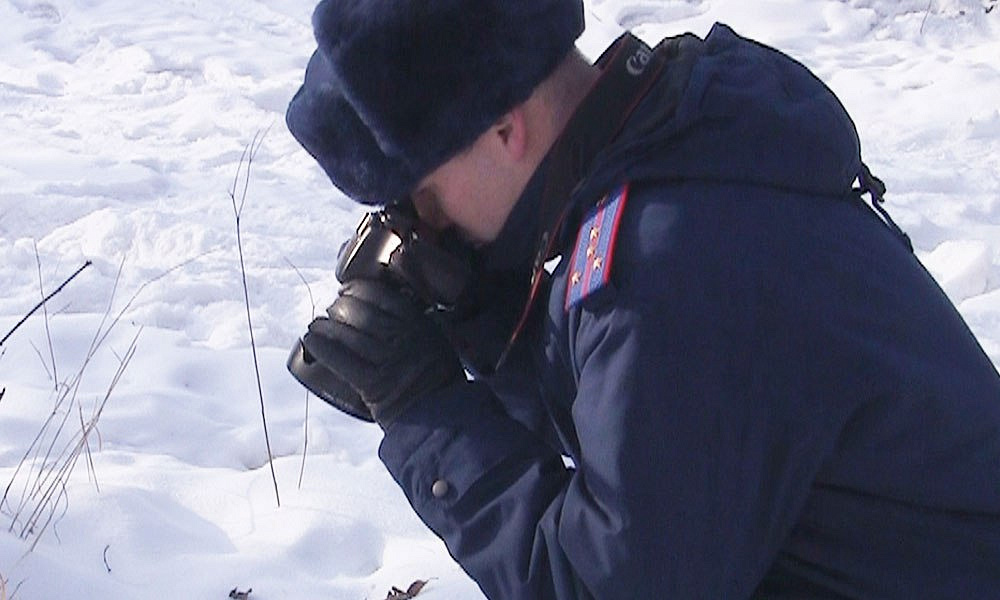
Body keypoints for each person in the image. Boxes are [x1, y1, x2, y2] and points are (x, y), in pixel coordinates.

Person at [284, 0, 1000, 598]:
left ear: (504, 129)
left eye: (422, 197)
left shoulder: (669, 271)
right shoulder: (672, 141)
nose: (424, 227)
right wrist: (485, 313)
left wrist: (427, 413)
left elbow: (609, 586)